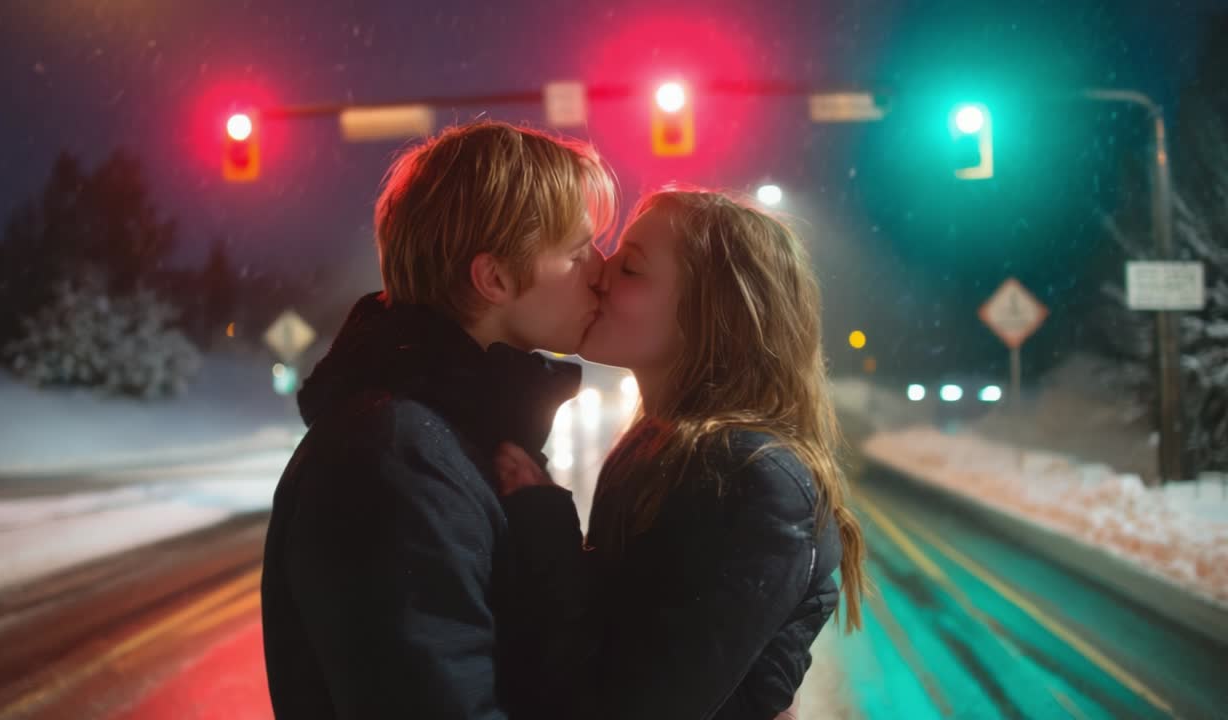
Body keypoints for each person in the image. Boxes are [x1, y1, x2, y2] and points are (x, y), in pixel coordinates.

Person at [259, 120, 617, 719]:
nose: (601, 270)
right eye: (579, 252)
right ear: (495, 278)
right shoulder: (394, 454)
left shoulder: (465, 428)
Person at [496, 188, 869, 719]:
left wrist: (544, 528)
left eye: (631, 269)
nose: (600, 272)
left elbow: (635, 704)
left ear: (709, 315)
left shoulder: (747, 478)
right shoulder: (666, 446)